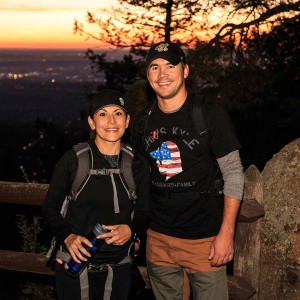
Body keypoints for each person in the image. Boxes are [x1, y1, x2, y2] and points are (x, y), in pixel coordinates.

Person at [131, 41, 244, 300]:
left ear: (185, 71)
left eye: (171, 66)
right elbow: (139, 180)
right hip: (158, 238)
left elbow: (234, 173)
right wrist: (137, 229)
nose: (162, 74)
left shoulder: (209, 114)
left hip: (204, 240)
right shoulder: (141, 122)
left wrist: (226, 233)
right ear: (148, 75)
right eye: (155, 67)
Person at [42, 89, 149, 300]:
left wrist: (132, 229)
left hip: (118, 269)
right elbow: (50, 208)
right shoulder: (73, 160)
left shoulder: (138, 164)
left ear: (127, 121)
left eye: (118, 113)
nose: (111, 120)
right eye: (102, 114)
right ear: (91, 122)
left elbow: (145, 211)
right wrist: (68, 237)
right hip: (75, 266)